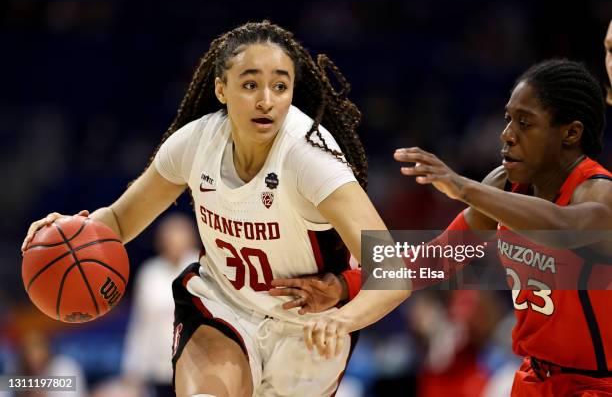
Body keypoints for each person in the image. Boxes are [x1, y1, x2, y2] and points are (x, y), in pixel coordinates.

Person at [21, 20, 403, 397]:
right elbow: (120, 220)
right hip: (225, 307)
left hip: (307, 326)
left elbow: (394, 271)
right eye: (250, 84)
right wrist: (73, 232)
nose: (266, 100)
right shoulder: (194, 144)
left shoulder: (310, 157)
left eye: (280, 86)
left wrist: (343, 318)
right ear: (221, 88)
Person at [305, 58, 612, 396]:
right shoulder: (504, 185)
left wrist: (464, 188)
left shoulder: (599, 192)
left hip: (596, 383)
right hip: (534, 380)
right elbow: (438, 258)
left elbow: (566, 228)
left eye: (525, 123)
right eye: (508, 118)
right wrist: (345, 285)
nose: (507, 134)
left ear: (571, 132)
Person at [122, 213, 199, 397]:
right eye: (170, 236)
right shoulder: (149, 273)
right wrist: (132, 369)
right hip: (161, 369)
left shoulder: (202, 268)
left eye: (180, 235)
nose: (175, 241)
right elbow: (140, 324)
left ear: (191, 238)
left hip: (198, 367)